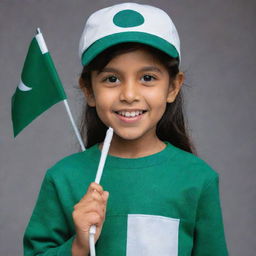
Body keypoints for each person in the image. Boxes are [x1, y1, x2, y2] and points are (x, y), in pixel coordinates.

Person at [23, 2, 229, 256]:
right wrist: (78, 246)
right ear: (89, 90)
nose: (129, 95)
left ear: (173, 87)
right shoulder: (63, 178)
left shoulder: (198, 179)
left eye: (147, 78)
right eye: (112, 79)